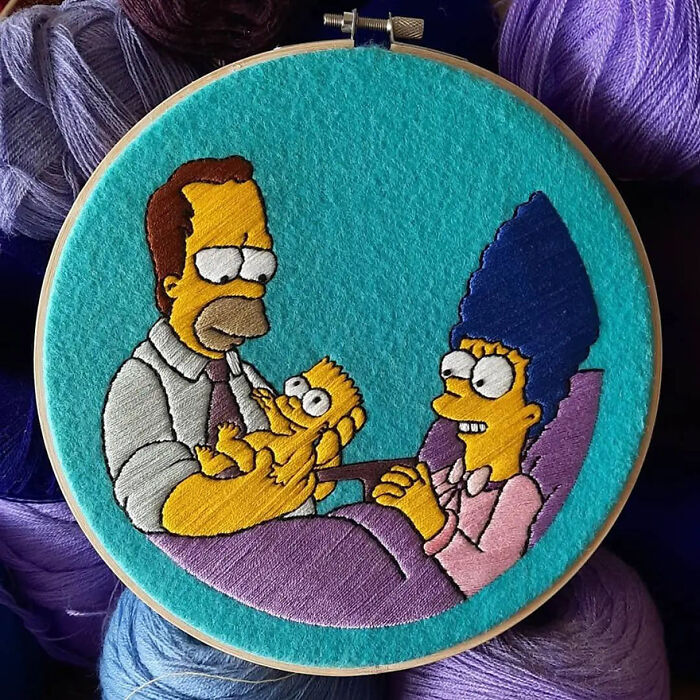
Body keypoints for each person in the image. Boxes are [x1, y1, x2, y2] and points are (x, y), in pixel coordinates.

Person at [102, 156, 354, 533]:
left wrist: (314, 458)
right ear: (172, 283)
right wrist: (255, 499)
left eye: (258, 267)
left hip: (295, 541)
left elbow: (285, 462)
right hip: (234, 555)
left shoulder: (243, 376)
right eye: (222, 265)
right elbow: (153, 496)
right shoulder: (142, 382)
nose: (247, 290)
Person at [372, 192, 600, 596]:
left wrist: (429, 520)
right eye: (455, 373)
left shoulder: (517, 493)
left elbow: (485, 579)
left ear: (531, 412)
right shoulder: (441, 478)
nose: (444, 404)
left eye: (485, 382)